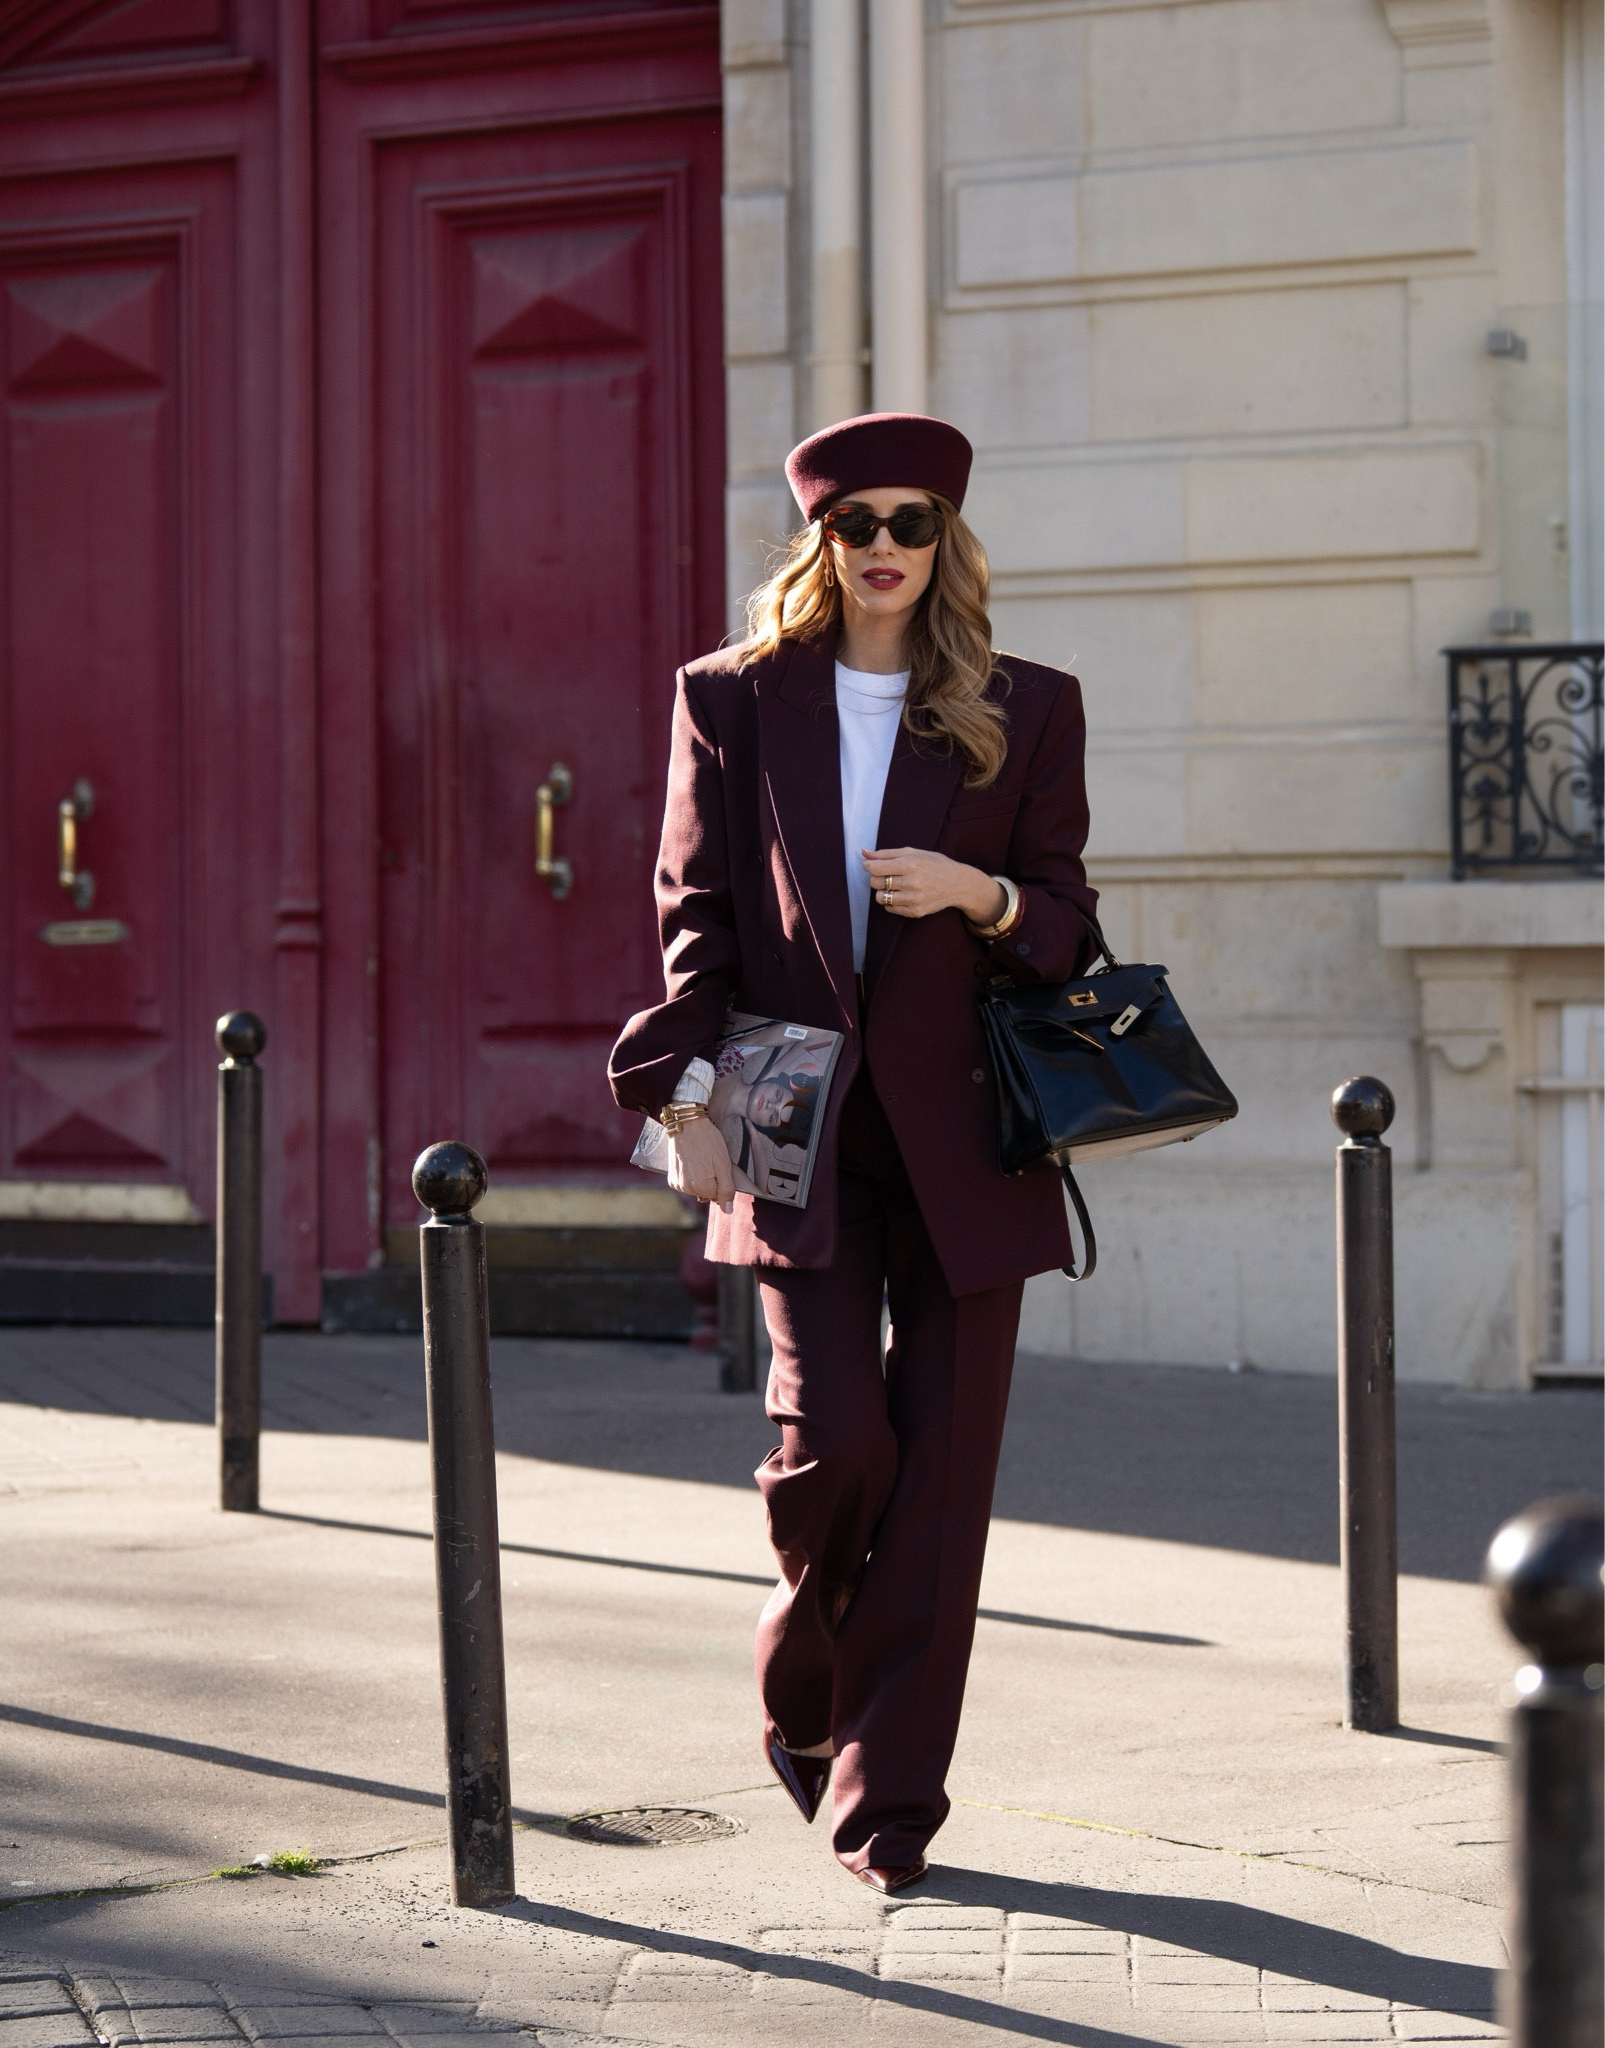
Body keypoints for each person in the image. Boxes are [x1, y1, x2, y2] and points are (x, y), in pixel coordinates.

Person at [609, 412, 1097, 1893]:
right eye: (856, 522)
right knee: (838, 1448)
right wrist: (676, 1092)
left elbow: (1069, 929)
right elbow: (695, 912)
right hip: (793, 1125)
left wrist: (978, 895)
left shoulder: (1028, 704)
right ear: (818, 539)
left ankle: (889, 1807)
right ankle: (805, 1682)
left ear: (948, 540)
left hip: (971, 1143)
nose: (885, 546)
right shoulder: (733, 698)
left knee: (942, 1489)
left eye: (912, 522)